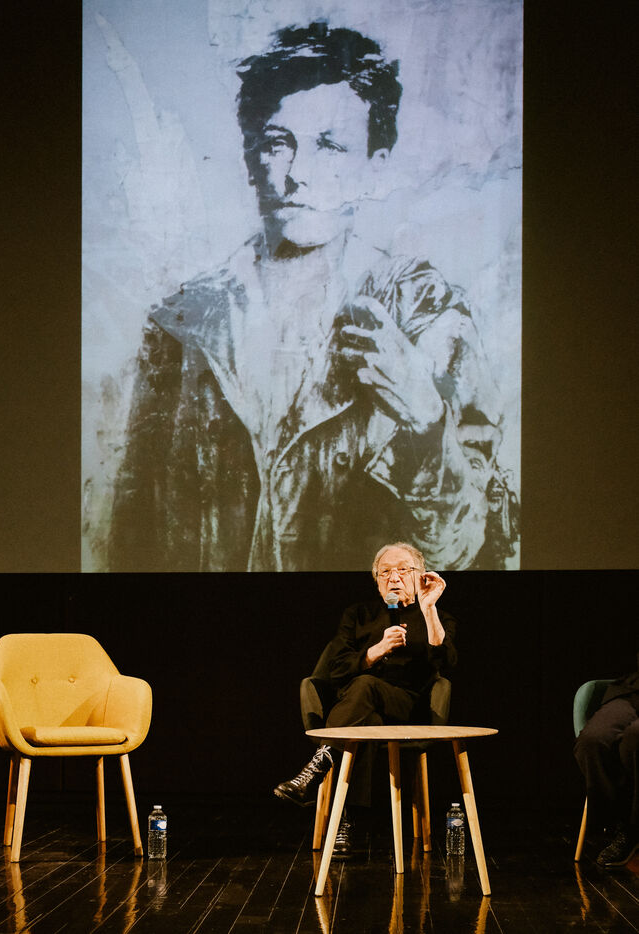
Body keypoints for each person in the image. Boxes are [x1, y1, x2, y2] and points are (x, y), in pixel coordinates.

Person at [108, 22, 518, 572]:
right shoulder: (181, 323)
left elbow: (472, 551)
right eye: (279, 144)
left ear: (375, 170)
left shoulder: (424, 312)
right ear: (251, 160)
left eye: (329, 145)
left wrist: (424, 417)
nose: (297, 175)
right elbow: (131, 539)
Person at [273, 541, 457, 856]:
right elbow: (334, 670)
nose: (394, 577)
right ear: (376, 580)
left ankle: (316, 770)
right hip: (357, 708)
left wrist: (428, 608)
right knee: (364, 712)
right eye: (385, 572)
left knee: (366, 687)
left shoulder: (435, 615)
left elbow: (447, 662)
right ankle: (346, 822)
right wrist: (376, 651)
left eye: (403, 570)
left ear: (420, 574)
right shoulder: (359, 614)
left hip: (407, 706)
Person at [574, 660, 639, 867]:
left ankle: (633, 828)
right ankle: (620, 824)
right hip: (634, 690)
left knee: (634, 738)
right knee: (593, 741)